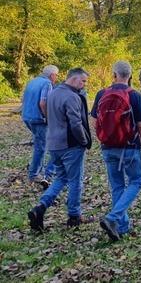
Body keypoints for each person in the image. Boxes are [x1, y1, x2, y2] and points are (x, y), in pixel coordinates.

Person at [92, 61, 141, 241]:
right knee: (136, 181)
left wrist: (103, 138)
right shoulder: (134, 96)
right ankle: (112, 218)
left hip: (108, 148)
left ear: (114, 75)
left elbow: (94, 121)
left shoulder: (101, 94)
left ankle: (122, 226)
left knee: (117, 185)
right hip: (129, 148)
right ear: (131, 76)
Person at [27, 68, 92, 232]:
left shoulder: (53, 93)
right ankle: (74, 216)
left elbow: (49, 115)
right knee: (75, 181)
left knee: (61, 178)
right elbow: (76, 123)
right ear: (74, 79)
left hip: (53, 143)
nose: (84, 85)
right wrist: (84, 141)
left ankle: (40, 207)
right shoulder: (71, 97)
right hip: (70, 145)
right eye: (83, 81)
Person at [22, 65, 59, 189]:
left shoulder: (32, 82)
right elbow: (43, 103)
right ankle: (34, 173)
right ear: (52, 75)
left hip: (27, 117)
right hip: (39, 119)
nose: (57, 78)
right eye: (56, 75)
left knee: (39, 144)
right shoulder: (47, 84)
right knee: (41, 147)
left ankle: (37, 170)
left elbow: (24, 99)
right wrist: (48, 118)